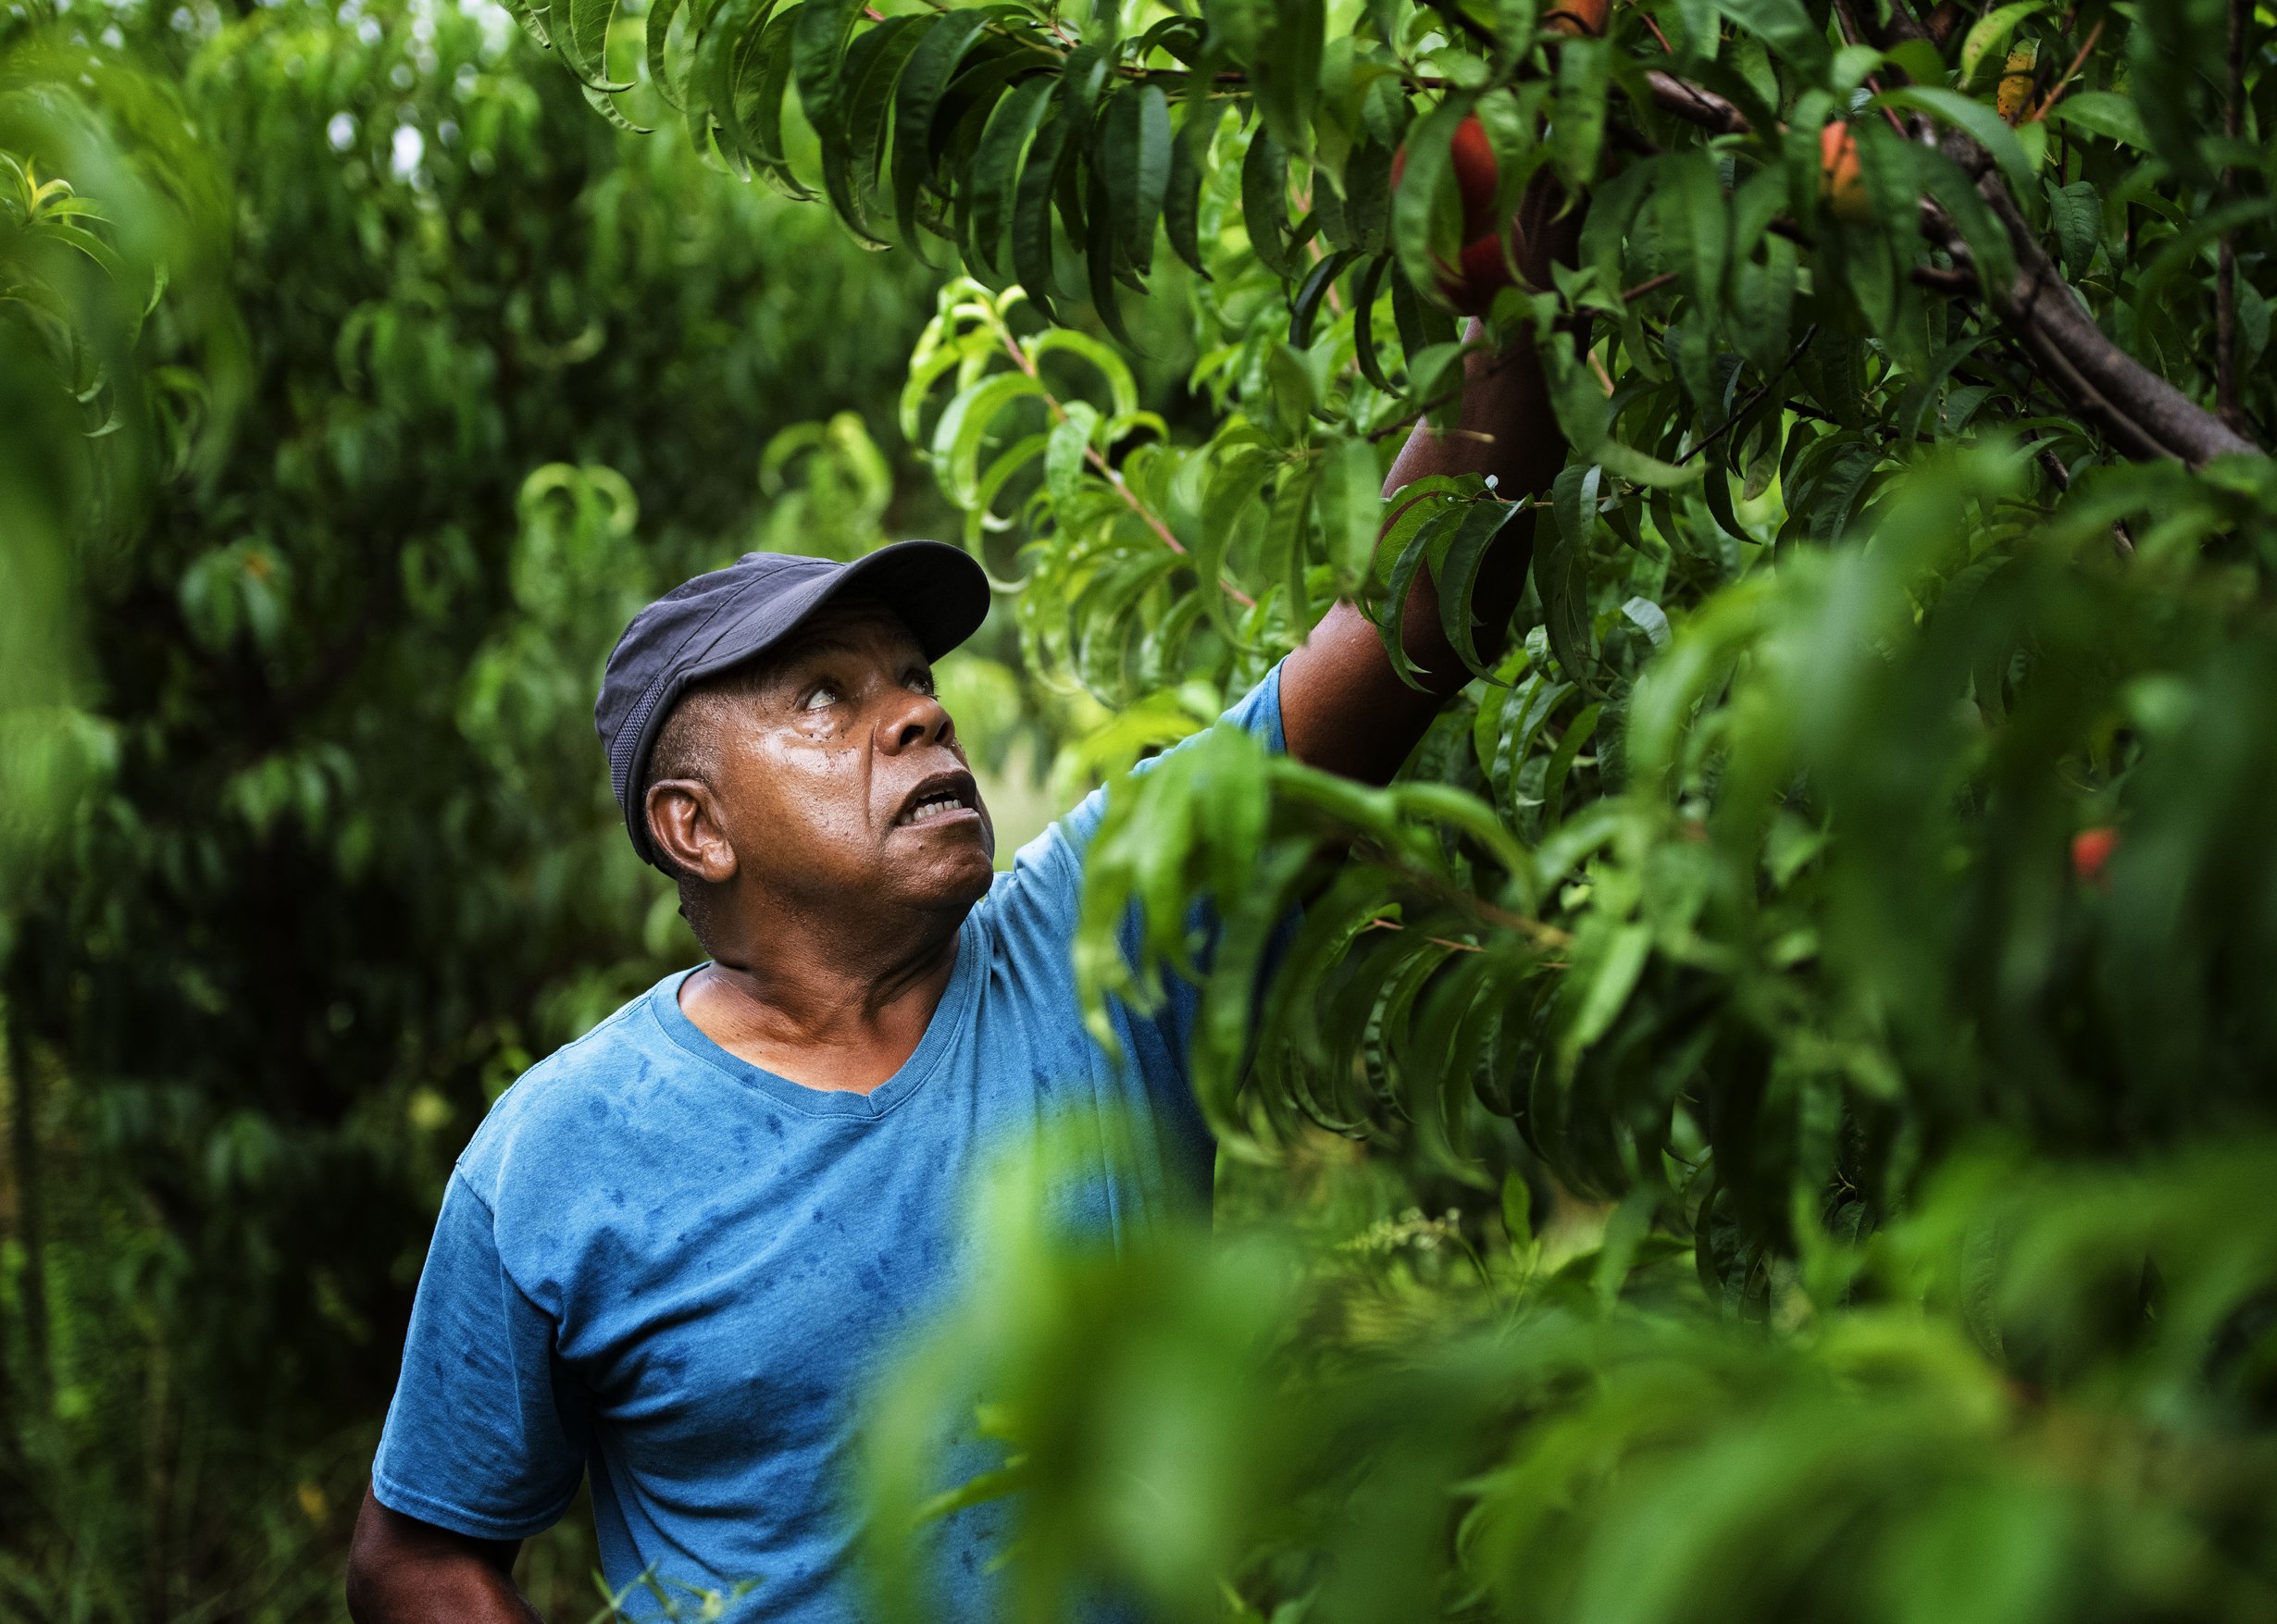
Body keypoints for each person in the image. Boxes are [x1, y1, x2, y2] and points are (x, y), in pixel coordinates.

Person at [345, 244, 1562, 1622]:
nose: (918, 713)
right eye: (822, 697)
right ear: (696, 829)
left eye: (915, 679)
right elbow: (418, 1555)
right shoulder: (557, 1157)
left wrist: (1518, 293)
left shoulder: (1095, 935)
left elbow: (1406, 619)